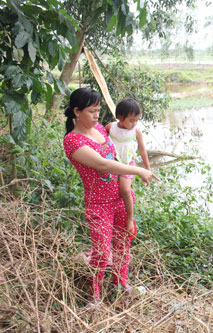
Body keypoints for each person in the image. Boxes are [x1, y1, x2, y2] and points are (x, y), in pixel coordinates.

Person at [63, 88, 157, 305]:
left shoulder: (99, 128)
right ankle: (95, 296)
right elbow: (102, 163)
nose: (97, 116)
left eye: (98, 110)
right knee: (102, 254)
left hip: (121, 198)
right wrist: (138, 170)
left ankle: (121, 284)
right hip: (99, 204)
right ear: (77, 111)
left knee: (123, 243)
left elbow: (121, 145)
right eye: (92, 111)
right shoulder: (73, 141)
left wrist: (131, 166)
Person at [105, 99, 151, 241]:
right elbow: (100, 140)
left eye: (137, 120)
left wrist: (147, 169)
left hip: (127, 163)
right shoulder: (110, 127)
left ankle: (130, 218)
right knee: (109, 188)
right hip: (112, 162)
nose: (134, 123)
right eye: (131, 120)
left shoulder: (136, 131)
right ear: (119, 116)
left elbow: (142, 150)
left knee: (125, 190)